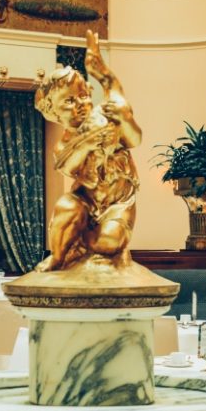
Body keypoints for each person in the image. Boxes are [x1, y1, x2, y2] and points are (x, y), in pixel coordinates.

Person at [33, 30, 140, 273]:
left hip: (118, 205)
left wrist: (101, 72)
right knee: (65, 206)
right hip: (86, 202)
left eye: (83, 95)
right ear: (55, 114)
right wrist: (88, 142)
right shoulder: (63, 145)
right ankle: (59, 257)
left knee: (109, 241)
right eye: (69, 102)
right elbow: (69, 164)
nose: (80, 104)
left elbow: (135, 138)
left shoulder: (107, 116)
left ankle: (87, 245)